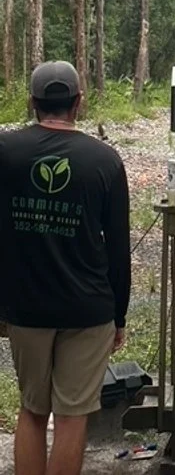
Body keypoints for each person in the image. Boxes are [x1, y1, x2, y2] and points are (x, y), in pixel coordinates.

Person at [0, 61, 131, 475]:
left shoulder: (6, 152)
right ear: (79, 103)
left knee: (32, 410)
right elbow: (118, 249)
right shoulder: (105, 161)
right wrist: (119, 316)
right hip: (88, 308)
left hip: (26, 306)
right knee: (73, 418)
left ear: (32, 102)